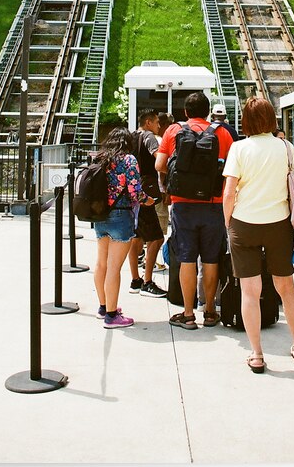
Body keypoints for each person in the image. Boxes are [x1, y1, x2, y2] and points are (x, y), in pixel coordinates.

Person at [222, 97, 294, 372]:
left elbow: (228, 192)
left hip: (244, 223)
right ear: (271, 119)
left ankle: (257, 354)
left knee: (250, 291)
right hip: (278, 223)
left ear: (245, 121)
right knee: (287, 288)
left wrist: (228, 223)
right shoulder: (285, 147)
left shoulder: (239, 148)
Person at [155, 92, 234, 329]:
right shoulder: (222, 134)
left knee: (187, 258)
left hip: (182, 204)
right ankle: (210, 311)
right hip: (213, 204)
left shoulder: (173, 131)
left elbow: (159, 164)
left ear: (186, 112)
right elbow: (231, 168)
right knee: (211, 259)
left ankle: (188, 314)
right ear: (209, 112)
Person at [93, 127, 156, 328]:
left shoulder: (100, 158)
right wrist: (149, 201)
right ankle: (112, 316)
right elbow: (135, 193)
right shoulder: (128, 160)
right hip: (120, 215)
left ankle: (103, 307)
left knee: (101, 263)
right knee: (114, 267)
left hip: (100, 215)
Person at [127, 109, 168, 298]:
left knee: (136, 237)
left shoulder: (130, 137)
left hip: (132, 191)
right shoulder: (149, 137)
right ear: (149, 122)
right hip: (147, 192)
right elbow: (158, 160)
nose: (159, 126)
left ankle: (135, 280)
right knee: (157, 237)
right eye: (157, 122)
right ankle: (147, 281)